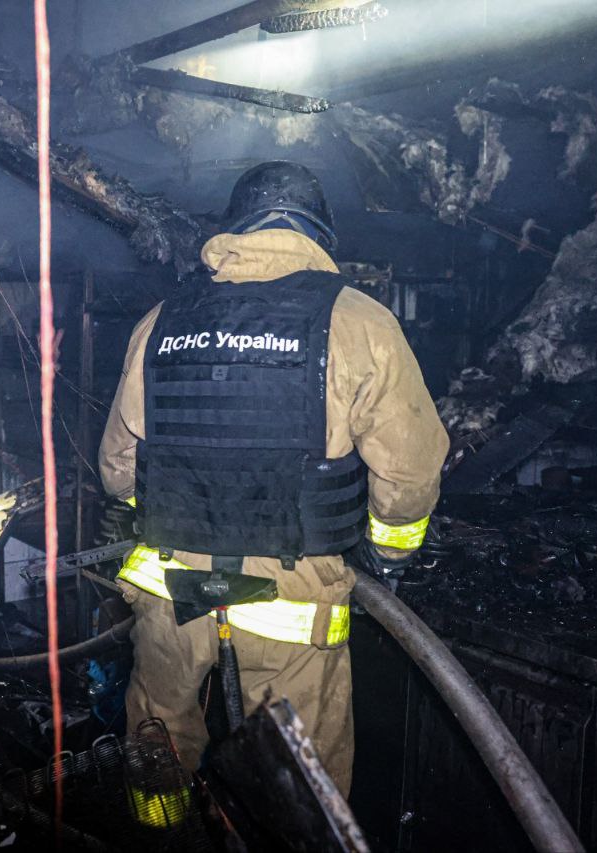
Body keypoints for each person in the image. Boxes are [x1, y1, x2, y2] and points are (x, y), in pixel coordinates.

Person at [99, 161, 448, 794]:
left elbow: (118, 469)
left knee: (158, 748)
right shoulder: (360, 322)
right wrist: (390, 551)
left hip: (171, 591)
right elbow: (408, 473)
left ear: (236, 226)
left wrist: (165, 510)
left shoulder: (161, 320)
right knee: (299, 785)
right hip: (292, 600)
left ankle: (161, 833)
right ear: (320, 233)